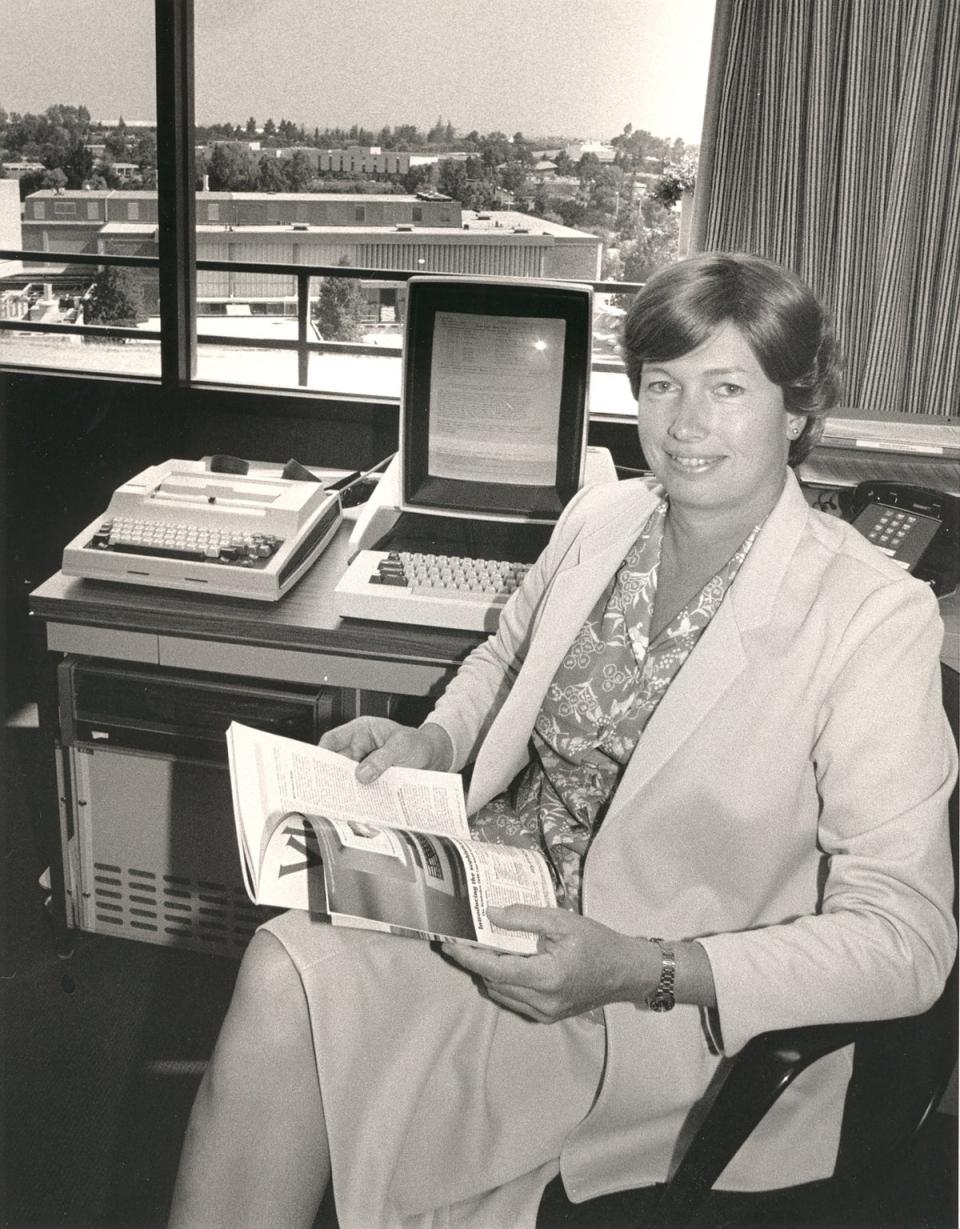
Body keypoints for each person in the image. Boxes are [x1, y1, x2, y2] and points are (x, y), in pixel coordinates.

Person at [168, 253, 957, 1229]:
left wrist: (647, 967)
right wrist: (435, 740)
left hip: (647, 999)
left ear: (797, 410)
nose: (685, 423)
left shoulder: (872, 614)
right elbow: (505, 654)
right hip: (491, 900)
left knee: (324, 1029)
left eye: (728, 388)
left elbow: (909, 943)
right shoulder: (605, 514)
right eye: (663, 385)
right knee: (281, 964)